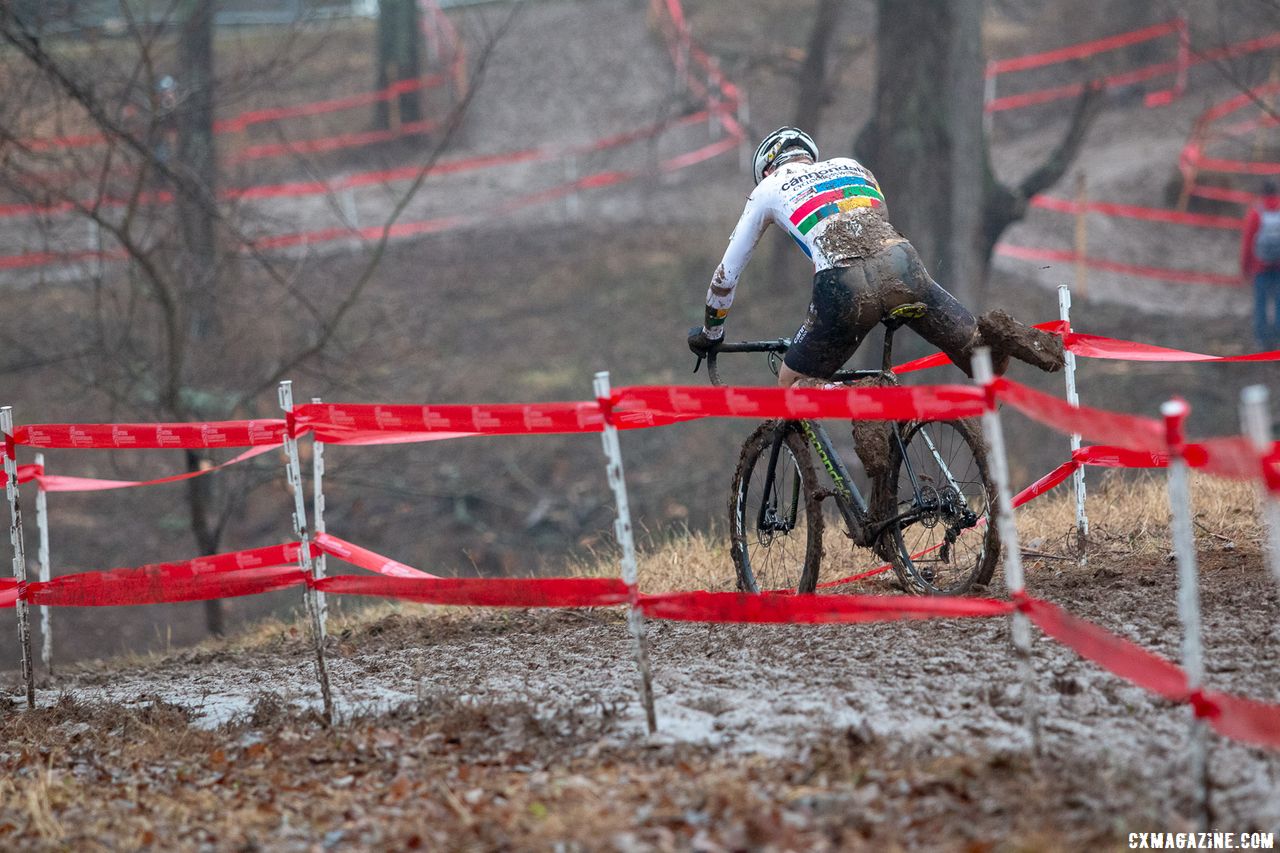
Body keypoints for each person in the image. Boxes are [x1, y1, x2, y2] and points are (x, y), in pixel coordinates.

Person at [687, 126, 1064, 385]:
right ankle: (1008, 337)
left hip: (844, 285)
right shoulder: (853, 168)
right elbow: (877, 224)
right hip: (902, 264)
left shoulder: (768, 188)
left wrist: (711, 333)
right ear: (808, 154)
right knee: (976, 353)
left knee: (792, 382)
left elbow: (724, 277)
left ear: (767, 167)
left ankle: (862, 400)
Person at [1242, 179, 1280, 348]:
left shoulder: (1256, 213)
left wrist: (1245, 268)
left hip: (1260, 266)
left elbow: (1247, 243)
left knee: (1260, 304)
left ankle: (1262, 340)